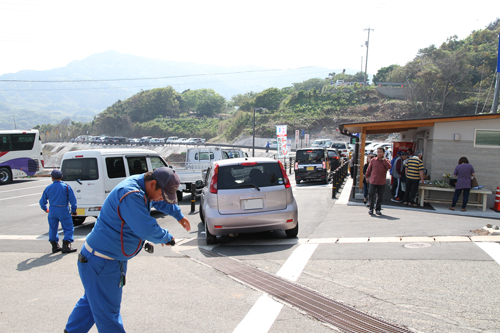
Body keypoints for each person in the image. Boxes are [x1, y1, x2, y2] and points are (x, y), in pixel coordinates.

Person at [64, 167, 191, 333]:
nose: (162, 199)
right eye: (163, 194)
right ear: (153, 184)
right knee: (108, 314)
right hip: (103, 263)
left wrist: (178, 215)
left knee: (93, 302)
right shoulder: (131, 195)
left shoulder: (142, 185)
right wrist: (167, 238)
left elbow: (159, 201)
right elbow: (146, 228)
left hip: (99, 260)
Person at [39, 169, 78, 254]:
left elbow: (42, 202)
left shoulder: (48, 188)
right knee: (68, 227)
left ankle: (55, 246)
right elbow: (73, 200)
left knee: (53, 228)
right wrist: (74, 210)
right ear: (61, 177)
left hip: (52, 210)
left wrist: (45, 209)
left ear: (52, 178)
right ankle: (66, 246)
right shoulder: (66, 187)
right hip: (63, 209)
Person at [365, 147, 391, 215]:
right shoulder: (373, 160)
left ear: (383, 153)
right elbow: (369, 169)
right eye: (378, 152)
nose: (379, 153)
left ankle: (378, 209)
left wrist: (384, 160)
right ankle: (371, 208)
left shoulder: (386, 160)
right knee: (371, 193)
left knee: (380, 196)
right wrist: (367, 176)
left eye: (380, 152)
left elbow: (389, 167)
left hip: (381, 181)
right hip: (373, 181)